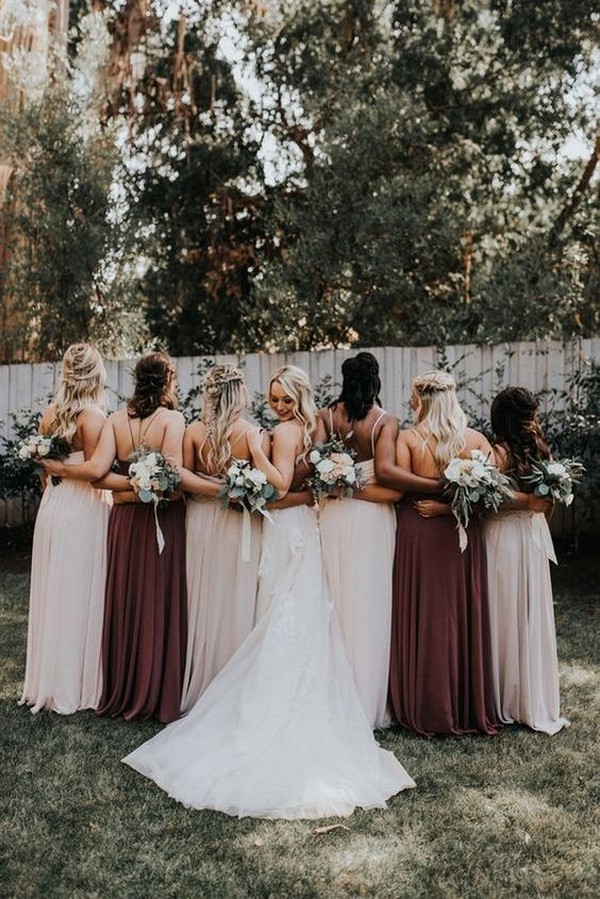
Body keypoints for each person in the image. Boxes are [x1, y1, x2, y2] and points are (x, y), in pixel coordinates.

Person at [122, 365, 415, 819]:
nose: (276, 405)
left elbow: (278, 487)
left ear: (296, 397)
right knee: (294, 610)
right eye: (273, 398)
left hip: (289, 531)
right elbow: (307, 486)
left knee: (286, 610)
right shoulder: (311, 428)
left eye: (282, 398)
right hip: (301, 530)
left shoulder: (279, 433)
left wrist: (257, 455)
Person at [44, 352, 187, 724]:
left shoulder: (115, 420)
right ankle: (153, 690)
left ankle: (122, 687)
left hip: (124, 520)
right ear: (169, 382)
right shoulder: (173, 420)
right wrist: (143, 485)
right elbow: (171, 485)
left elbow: (100, 474)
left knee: (127, 599)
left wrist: (125, 493)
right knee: (156, 599)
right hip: (160, 521)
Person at [316, 351, 436, 728]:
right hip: (371, 520)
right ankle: (366, 697)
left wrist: (340, 485)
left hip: (334, 516)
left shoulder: (326, 416)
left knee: (333, 595)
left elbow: (317, 464)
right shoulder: (385, 422)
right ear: (376, 381)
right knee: (368, 602)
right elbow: (386, 476)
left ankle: (328, 691)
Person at [381, 370, 499, 737]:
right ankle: (460, 703)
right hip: (459, 532)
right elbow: (491, 498)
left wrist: (439, 502)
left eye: (414, 398)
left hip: (422, 528)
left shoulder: (410, 439)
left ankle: (426, 704)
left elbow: (394, 480)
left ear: (422, 400)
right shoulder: (477, 439)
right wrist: (451, 498)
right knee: (456, 613)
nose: (411, 404)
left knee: (426, 614)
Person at [19, 344, 114, 714]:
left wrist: (56, 474)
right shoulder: (93, 418)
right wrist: (61, 472)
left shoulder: (50, 414)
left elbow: (46, 468)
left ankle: (51, 681)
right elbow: (95, 472)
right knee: (77, 592)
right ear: (96, 374)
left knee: (56, 591)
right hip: (82, 507)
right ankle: (76, 685)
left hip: (54, 507)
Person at [179, 363, 270, 713]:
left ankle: (204, 679)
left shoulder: (193, 431)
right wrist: (228, 490)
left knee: (204, 594)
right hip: (236, 523)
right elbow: (267, 487)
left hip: (200, 519)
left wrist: (210, 488)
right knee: (235, 597)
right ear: (240, 393)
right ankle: (233, 682)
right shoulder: (252, 435)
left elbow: (184, 476)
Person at [483, 387, 569, 734]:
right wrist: (532, 509)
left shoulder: (499, 453)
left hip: (506, 536)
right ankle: (527, 695)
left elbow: (487, 499)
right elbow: (542, 504)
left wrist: (522, 505)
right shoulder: (541, 451)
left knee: (505, 613)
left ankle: (507, 697)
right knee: (525, 613)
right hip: (532, 536)